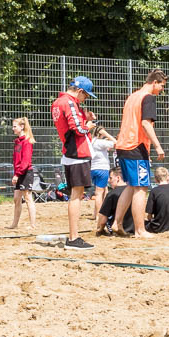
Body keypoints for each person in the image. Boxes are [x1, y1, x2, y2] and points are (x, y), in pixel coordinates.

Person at [114, 70, 168, 239]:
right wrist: (158, 146)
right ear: (154, 82)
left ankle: (117, 223)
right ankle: (140, 230)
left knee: (131, 185)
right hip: (135, 146)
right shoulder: (148, 97)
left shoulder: (132, 96)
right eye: (162, 86)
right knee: (141, 187)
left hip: (123, 145)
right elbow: (145, 123)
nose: (162, 90)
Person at [50, 77, 95, 249]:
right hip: (77, 153)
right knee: (77, 195)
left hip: (70, 152)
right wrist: (89, 125)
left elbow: (71, 125)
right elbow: (78, 129)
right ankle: (74, 237)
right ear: (80, 91)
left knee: (76, 194)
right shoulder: (69, 102)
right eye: (86, 95)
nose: (85, 99)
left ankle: (74, 236)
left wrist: (84, 117)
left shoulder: (58, 102)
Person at [8, 116, 38, 231]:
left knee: (28, 198)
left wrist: (17, 174)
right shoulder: (17, 142)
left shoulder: (26, 141)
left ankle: (33, 224)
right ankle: (14, 224)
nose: (13, 128)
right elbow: (16, 161)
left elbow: (25, 161)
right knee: (17, 198)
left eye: (14, 126)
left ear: (22, 127)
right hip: (19, 173)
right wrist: (16, 174)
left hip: (26, 172)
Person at [88, 124, 116, 230]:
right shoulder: (101, 142)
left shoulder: (92, 141)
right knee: (99, 193)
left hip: (93, 168)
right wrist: (107, 134)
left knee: (102, 190)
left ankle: (95, 214)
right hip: (102, 168)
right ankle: (99, 215)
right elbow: (116, 143)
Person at [143, 165, 169, 233]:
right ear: (168, 177)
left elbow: (149, 216)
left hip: (159, 228)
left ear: (155, 179)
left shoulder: (154, 191)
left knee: (141, 223)